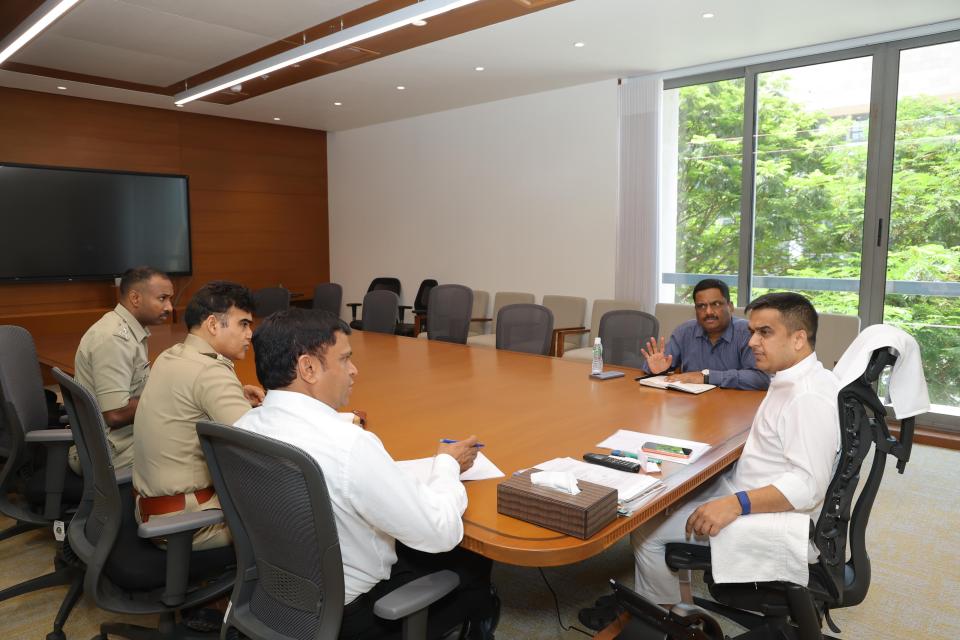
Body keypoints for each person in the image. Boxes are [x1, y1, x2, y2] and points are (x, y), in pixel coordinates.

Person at [235, 308, 499, 640]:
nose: (354, 370)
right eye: (345, 359)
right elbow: (440, 532)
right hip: (352, 620)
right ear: (308, 368)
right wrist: (447, 465)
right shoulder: (350, 447)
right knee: (471, 558)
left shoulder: (242, 427)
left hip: (275, 595)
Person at [132, 281, 264, 550]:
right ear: (213, 324)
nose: (250, 334)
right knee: (295, 517)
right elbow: (260, 449)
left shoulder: (171, 355)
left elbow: (189, 398)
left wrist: (235, 394)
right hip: (190, 524)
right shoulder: (211, 372)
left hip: (151, 510)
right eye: (243, 324)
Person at [70, 266, 174, 474]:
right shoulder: (114, 339)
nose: (170, 307)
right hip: (110, 451)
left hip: (122, 439)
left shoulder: (127, 330)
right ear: (135, 298)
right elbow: (115, 414)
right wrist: (172, 397)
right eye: (162, 298)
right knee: (197, 448)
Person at [640, 279, 769, 390]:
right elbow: (658, 363)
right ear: (695, 310)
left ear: (730, 306)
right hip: (692, 405)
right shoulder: (685, 331)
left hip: (734, 406)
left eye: (716, 304)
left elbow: (761, 378)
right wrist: (655, 368)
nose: (708, 312)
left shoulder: (747, 333)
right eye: (701, 306)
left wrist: (707, 377)